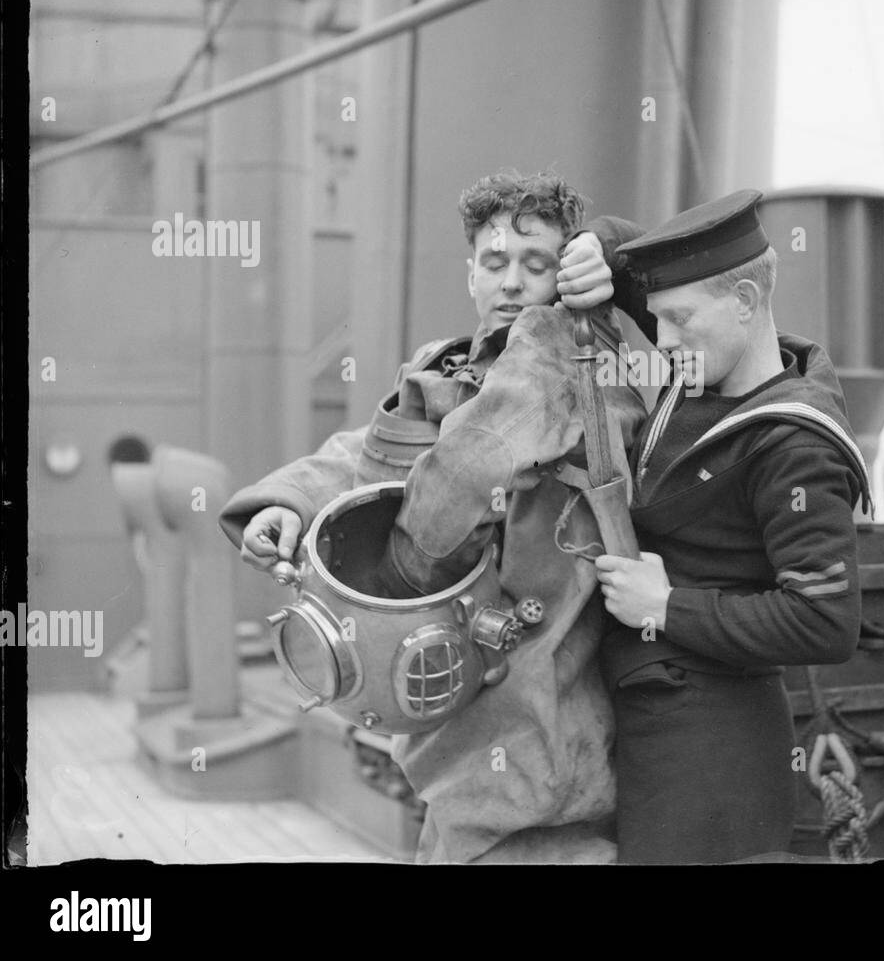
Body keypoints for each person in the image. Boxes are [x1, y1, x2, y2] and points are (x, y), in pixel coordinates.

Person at [218, 170, 646, 863]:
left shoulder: (579, 363)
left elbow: (470, 461)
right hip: (448, 742)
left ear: (567, 273)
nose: (512, 283)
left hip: (541, 749)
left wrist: (396, 577)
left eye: (536, 265)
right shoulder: (441, 369)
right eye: (495, 263)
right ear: (471, 274)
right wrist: (285, 502)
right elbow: (372, 452)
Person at [591, 188, 871, 864]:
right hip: (652, 710)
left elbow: (825, 621)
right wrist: (594, 244)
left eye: (678, 319)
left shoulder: (791, 446)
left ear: (746, 302)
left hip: (709, 750)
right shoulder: (703, 361)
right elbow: (636, 262)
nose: (662, 340)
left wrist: (666, 605)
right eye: (655, 319)